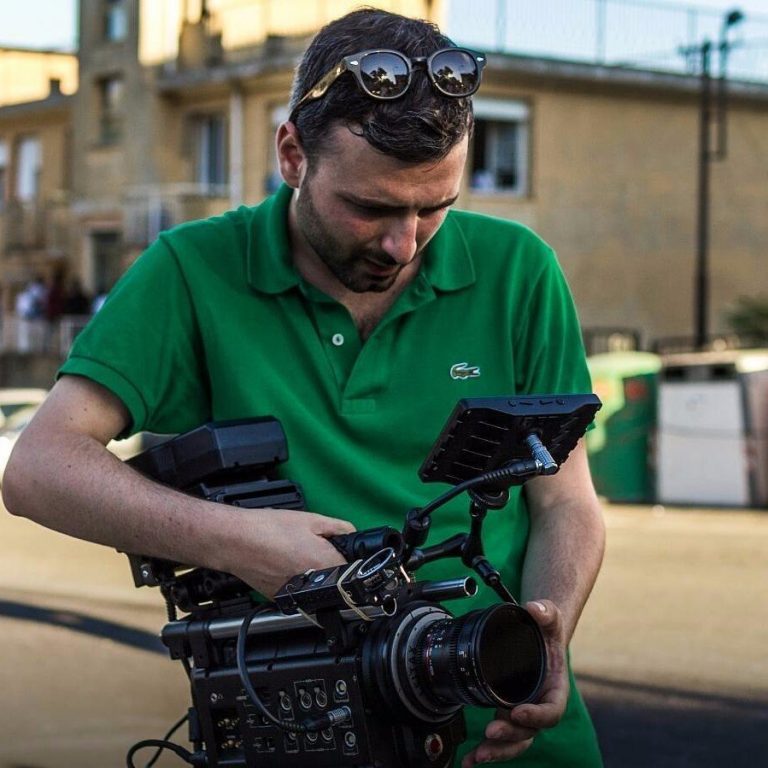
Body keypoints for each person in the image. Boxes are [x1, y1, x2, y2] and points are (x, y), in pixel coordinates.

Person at [2, 9, 605, 767]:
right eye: (371, 207)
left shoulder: (522, 270)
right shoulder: (192, 271)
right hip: (309, 731)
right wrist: (242, 543)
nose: (404, 242)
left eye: (434, 208)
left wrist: (547, 634)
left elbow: (566, 501)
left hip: (512, 731)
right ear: (292, 154)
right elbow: (37, 469)